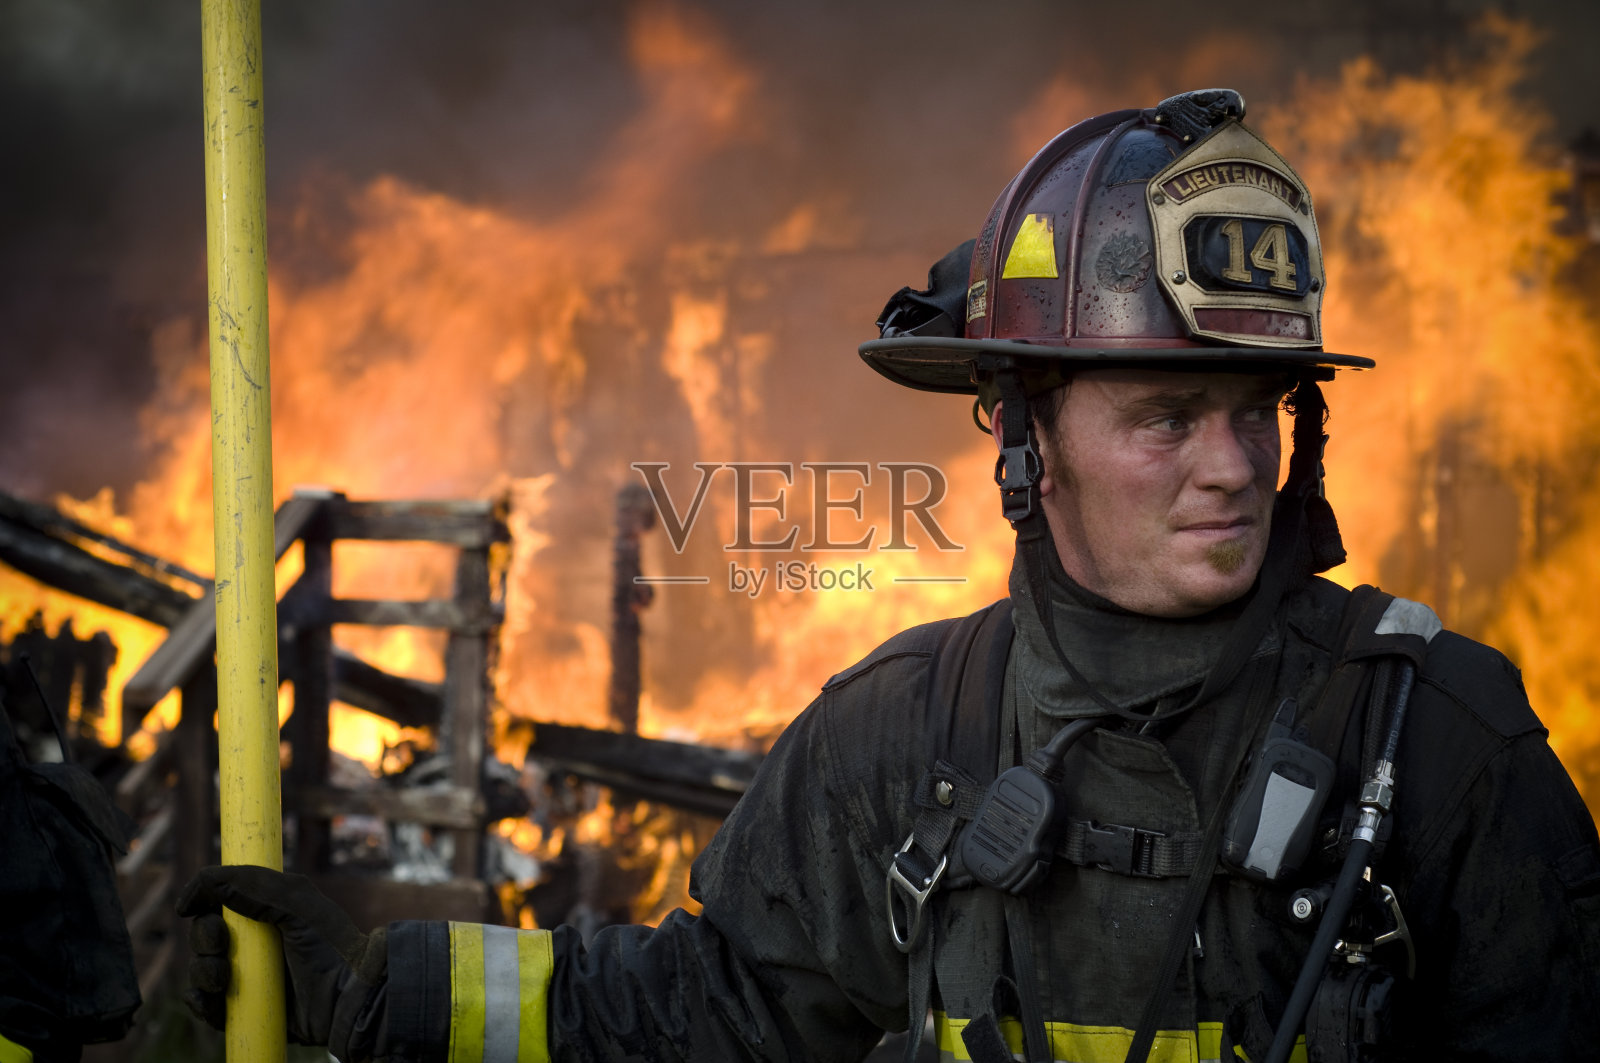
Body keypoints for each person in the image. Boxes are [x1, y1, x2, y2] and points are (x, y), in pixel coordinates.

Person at [179, 90, 1600, 1062]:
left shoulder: (1435, 747)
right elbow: (707, 1012)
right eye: (1167, 418)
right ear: (1025, 435)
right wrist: (385, 988)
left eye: (1259, 410)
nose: (1231, 465)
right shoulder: (907, 736)